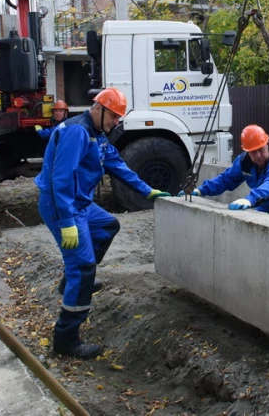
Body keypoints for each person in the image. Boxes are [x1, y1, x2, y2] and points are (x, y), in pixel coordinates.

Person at [35, 87, 170, 359]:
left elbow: (117, 165)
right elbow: (60, 179)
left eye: (119, 118)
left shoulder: (98, 135)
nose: (116, 122)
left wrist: (147, 190)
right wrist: (67, 220)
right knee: (84, 268)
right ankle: (66, 340)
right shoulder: (77, 131)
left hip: (82, 204)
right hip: (64, 205)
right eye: (114, 116)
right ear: (99, 108)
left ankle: (70, 279)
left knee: (108, 225)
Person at [180, 124, 269, 225]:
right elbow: (226, 179)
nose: (258, 155)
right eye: (253, 152)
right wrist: (200, 190)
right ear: (246, 151)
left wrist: (250, 199)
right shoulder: (244, 162)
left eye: (261, 150)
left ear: (268, 144)